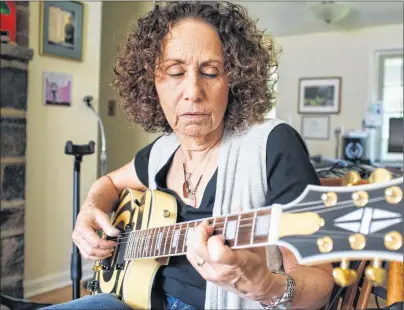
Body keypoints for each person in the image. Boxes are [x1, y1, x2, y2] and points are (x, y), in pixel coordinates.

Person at [43, 1, 334, 309]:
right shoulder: (162, 149)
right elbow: (109, 183)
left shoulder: (272, 145)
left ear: (233, 81)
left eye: (210, 72)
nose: (193, 90)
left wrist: (265, 286)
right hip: (130, 298)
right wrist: (91, 208)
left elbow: (319, 282)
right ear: (151, 82)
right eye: (175, 72)